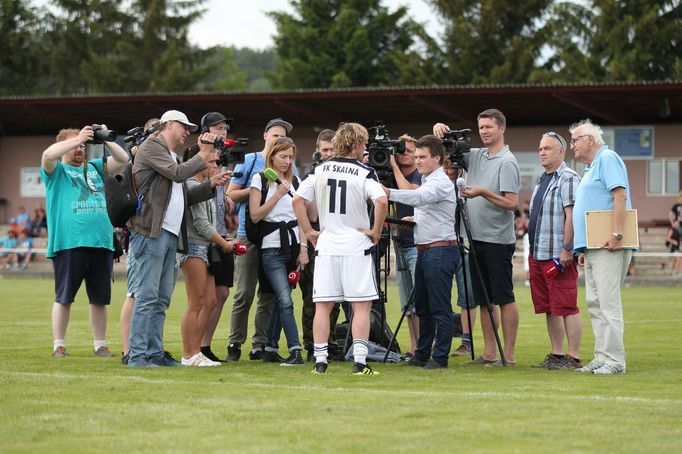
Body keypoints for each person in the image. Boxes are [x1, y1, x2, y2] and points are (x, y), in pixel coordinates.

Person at [127, 110, 228, 367]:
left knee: (161, 298)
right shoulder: (153, 146)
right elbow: (177, 174)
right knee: (147, 295)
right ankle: (138, 356)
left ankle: (154, 353)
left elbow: (184, 196)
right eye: (183, 127)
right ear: (168, 124)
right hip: (151, 232)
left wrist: (210, 186)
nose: (187, 132)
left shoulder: (171, 154)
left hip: (170, 234)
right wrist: (204, 154)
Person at [293, 122, 388, 375]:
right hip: (356, 246)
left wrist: (310, 231)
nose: (366, 148)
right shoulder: (365, 172)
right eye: (364, 144)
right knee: (361, 306)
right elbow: (381, 200)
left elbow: (297, 200)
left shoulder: (319, 169)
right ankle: (360, 362)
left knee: (323, 305)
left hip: (327, 245)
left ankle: (320, 361)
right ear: (356, 144)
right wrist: (375, 232)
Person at [433, 108, 520, 366]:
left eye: (488, 127)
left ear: (501, 128)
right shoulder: (477, 155)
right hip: (475, 238)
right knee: (484, 300)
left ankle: (510, 355)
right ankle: (490, 353)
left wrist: (483, 192)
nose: (484, 132)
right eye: (481, 127)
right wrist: (439, 129)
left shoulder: (508, 161)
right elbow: (446, 150)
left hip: (498, 240)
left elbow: (512, 203)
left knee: (504, 298)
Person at [40, 124, 128, 357]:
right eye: (75, 145)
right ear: (63, 146)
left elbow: (123, 158)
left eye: (82, 146)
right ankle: (59, 344)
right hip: (69, 242)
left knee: (100, 299)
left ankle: (100, 345)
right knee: (64, 297)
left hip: (100, 242)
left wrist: (106, 138)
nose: (80, 149)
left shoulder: (95, 168)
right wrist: (77, 137)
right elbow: (48, 155)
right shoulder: (55, 171)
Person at [385, 135, 460, 369]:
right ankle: (422, 354)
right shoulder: (430, 180)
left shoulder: (439, 182)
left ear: (437, 158)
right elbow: (432, 209)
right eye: (416, 156)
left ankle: (440, 357)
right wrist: (415, 218)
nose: (417, 161)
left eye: (422, 157)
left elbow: (419, 197)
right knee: (424, 306)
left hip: (440, 250)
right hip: (428, 250)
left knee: (438, 306)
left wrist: (389, 192)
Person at [225, 118, 293, 361]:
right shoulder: (250, 161)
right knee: (243, 291)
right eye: (275, 135)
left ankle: (259, 345)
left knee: (268, 293)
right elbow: (230, 193)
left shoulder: (289, 166)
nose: (278, 140)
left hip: (275, 237)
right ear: (265, 136)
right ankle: (234, 343)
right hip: (248, 232)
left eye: (283, 137)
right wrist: (260, 187)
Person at [571, 118, 634, 375]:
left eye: (575, 140)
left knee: (608, 303)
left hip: (609, 244)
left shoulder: (608, 158)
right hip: (593, 245)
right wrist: (583, 247)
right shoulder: (591, 167)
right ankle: (602, 356)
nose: (572, 145)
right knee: (595, 304)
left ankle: (615, 360)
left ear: (590, 140)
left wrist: (617, 233)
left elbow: (619, 195)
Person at [250, 137, 308, 365]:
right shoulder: (261, 179)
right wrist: (277, 195)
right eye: (283, 156)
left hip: (293, 247)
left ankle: (271, 347)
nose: (287, 162)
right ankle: (295, 349)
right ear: (272, 156)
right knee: (285, 300)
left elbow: (301, 218)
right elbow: (255, 215)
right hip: (272, 248)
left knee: (280, 298)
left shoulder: (297, 181)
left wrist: (303, 248)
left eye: (291, 157)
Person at [527, 132, 583, 370]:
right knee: (550, 307)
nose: (542, 152)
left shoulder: (568, 178)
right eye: (540, 148)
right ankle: (557, 354)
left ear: (561, 152)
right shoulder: (542, 180)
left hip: (557, 254)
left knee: (567, 306)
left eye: (547, 148)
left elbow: (571, 216)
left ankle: (574, 356)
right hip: (538, 254)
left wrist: (567, 248)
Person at [178, 147, 235, 366]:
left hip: (205, 248)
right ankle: (189, 353)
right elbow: (201, 224)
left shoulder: (204, 187)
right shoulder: (193, 186)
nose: (215, 166)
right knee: (196, 303)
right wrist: (224, 244)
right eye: (211, 162)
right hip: (194, 248)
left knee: (210, 301)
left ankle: (197, 350)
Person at [196, 112, 237, 363]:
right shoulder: (198, 154)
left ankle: (206, 344)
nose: (223, 132)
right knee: (205, 298)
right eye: (218, 128)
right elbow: (196, 184)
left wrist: (226, 197)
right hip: (206, 235)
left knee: (221, 293)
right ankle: (196, 347)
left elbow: (216, 187)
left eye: (225, 128)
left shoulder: (222, 157)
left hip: (223, 231)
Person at [119, 117, 161, 365]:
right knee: (135, 294)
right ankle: (128, 350)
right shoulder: (139, 159)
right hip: (139, 235)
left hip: (149, 234)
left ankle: (142, 348)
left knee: (144, 295)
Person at [299, 129, 342, 362]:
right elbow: (308, 211)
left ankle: (330, 341)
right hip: (316, 240)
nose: (328, 154)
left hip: (337, 240)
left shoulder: (346, 172)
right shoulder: (312, 174)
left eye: (332, 149)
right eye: (324, 150)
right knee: (313, 297)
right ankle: (312, 344)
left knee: (334, 298)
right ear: (317, 151)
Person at [386, 134, 421, 357]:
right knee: (407, 304)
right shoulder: (390, 176)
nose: (404, 154)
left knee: (420, 300)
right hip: (400, 245)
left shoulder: (421, 176)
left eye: (409, 150)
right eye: (400, 151)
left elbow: (409, 193)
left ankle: (427, 345)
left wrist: (393, 167)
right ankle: (414, 346)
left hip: (418, 244)